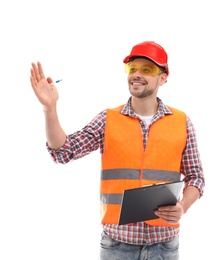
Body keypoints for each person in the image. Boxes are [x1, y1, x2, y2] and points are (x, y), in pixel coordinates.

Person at [30, 41, 205, 260]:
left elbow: (196, 177)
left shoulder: (182, 122)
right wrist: (50, 108)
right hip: (117, 246)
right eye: (132, 68)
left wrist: (182, 207)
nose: (137, 74)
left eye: (147, 69)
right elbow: (63, 151)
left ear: (163, 77)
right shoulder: (107, 120)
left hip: (165, 246)